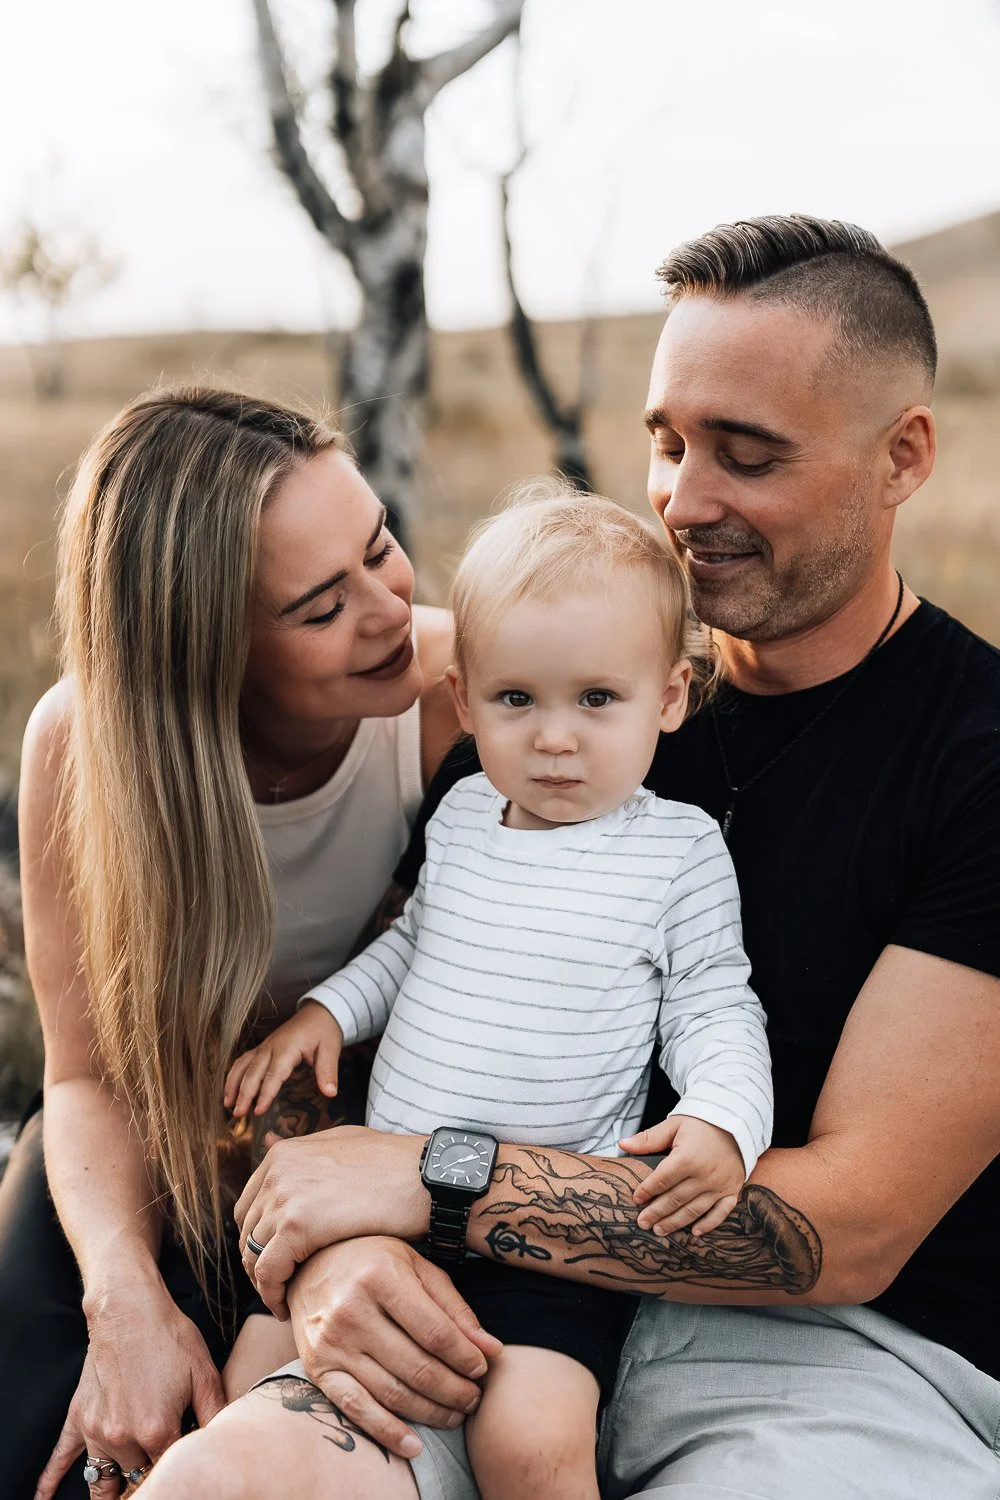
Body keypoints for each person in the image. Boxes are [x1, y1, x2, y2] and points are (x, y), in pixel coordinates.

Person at [139, 213, 1000, 1500]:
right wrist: (332, 1255)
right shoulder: (554, 680)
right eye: (667, 442)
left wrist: (430, 1184)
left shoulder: (973, 758)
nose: (682, 504)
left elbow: (844, 1235)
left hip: (827, 1356)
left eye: (747, 457)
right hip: (466, 1301)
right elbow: (391, 999)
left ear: (903, 455)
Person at [225, 492, 774, 1500]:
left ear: (668, 697)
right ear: (465, 701)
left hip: (543, 1238)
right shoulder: (471, 812)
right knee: (252, 1367)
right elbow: (413, 945)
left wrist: (720, 1122)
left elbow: (714, 1007)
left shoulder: (675, 851)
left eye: (597, 700)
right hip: (371, 1209)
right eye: (517, 700)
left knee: (527, 1441)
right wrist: (325, 1013)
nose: (555, 739)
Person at [0, 386, 463, 1500]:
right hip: (155, 1136)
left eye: (381, 546)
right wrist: (123, 1296)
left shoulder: (464, 696)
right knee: (57, 1446)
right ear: (204, 654)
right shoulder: (80, 748)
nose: (390, 607)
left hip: (376, 1147)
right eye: (318, 606)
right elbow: (83, 1074)